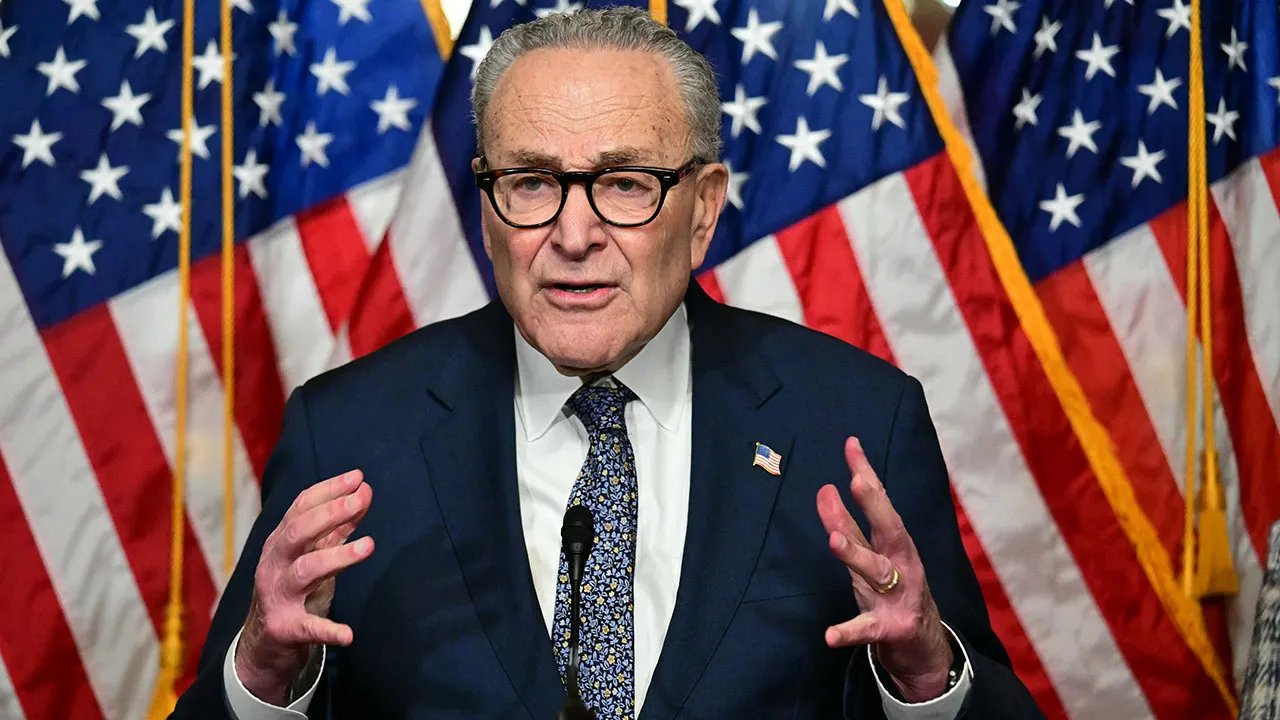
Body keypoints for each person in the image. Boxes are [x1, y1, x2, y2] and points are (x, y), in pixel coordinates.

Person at [172, 7, 1042, 719]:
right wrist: (263, 678)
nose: (574, 234)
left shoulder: (854, 422)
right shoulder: (350, 433)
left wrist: (926, 678)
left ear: (703, 210)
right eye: (532, 181)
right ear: (487, 207)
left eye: (626, 183)